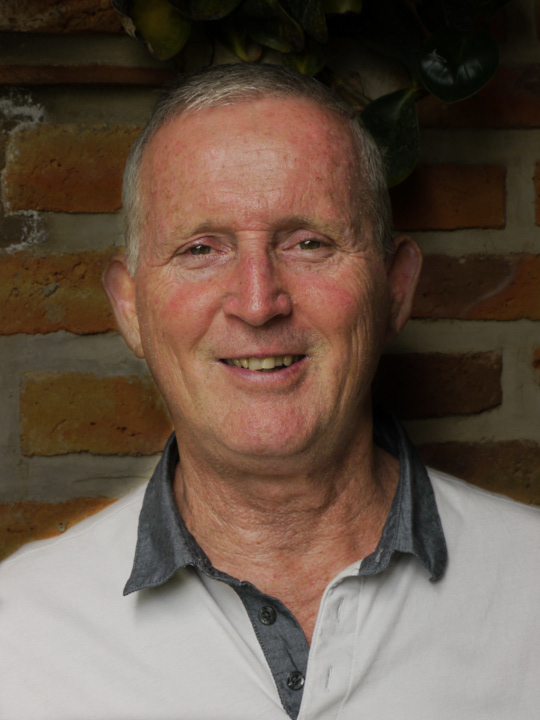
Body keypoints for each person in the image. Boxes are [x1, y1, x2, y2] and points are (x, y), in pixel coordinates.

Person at [1, 63, 539, 720]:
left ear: (396, 288)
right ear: (130, 307)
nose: (258, 304)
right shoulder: (19, 634)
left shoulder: (531, 593)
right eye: (201, 249)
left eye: (308, 243)